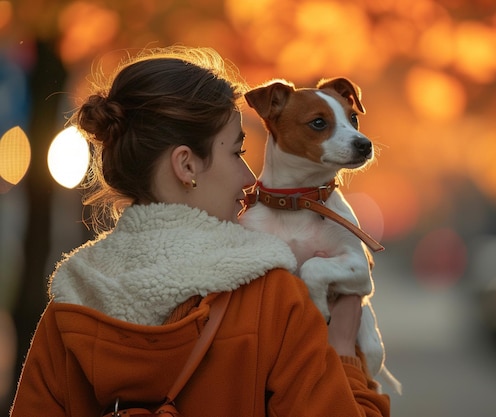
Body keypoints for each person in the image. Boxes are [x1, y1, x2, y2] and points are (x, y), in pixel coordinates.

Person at [10, 46, 390, 417]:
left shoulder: (69, 304)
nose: (248, 178)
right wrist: (343, 351)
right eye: (237, 152)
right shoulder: (275, 299)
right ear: (186, 165)